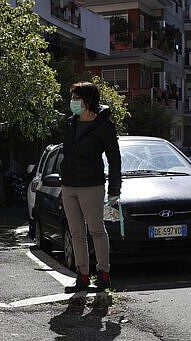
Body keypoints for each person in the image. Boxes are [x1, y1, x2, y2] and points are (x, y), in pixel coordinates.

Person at [60, 81, 121, 293]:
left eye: (76, 98)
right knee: (76, 233)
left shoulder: (104, 126)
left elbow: (115, 159)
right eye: (72, 98)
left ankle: (103, 275)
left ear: (88, 101)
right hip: (69, 186)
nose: (72, 102)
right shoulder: (70, 123)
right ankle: (82, 277)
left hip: (92, 186)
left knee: (96, 230)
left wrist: (114, 190)